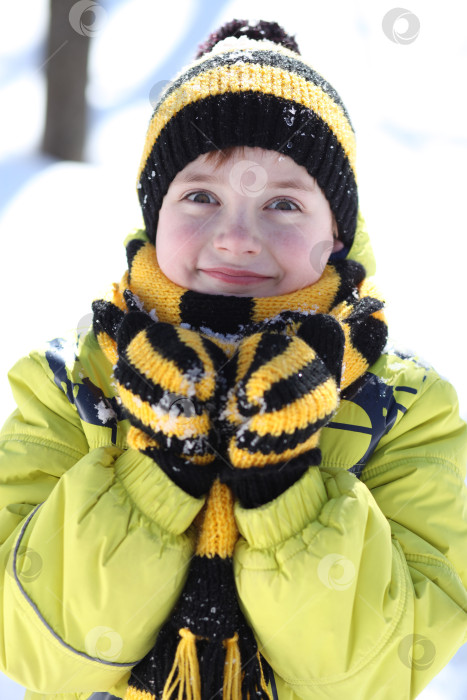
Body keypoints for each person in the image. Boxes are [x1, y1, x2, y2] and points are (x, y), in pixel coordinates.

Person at [0, 17, 466, 700]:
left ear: (335, 236)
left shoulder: (405, 411)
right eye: (200, 197)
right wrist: (157, 471)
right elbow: (39, 652)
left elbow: (375, 674)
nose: (237, 238)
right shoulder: (74, 385)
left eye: (282, 203)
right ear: (153, 216)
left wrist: (282, 492)